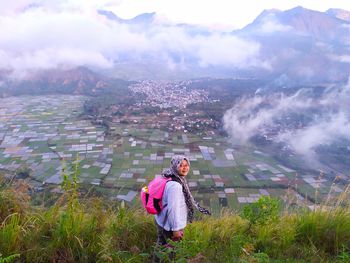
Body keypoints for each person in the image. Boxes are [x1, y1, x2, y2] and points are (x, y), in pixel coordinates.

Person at [153, 155, 211, 261]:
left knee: (161, 245)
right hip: (169, 225)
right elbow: (173, 209)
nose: (185, 168)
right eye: (181, 165)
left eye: (186, 165)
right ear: (175, 166)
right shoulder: (175, 186)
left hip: (161, 219)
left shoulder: (168, 175)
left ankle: (156, 260)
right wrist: (175, 230)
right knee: (171, 250)